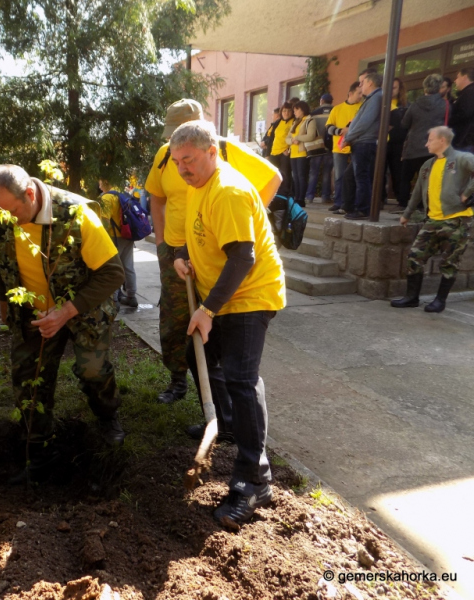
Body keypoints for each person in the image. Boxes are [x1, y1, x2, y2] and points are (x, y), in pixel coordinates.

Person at [168, 120, 286, 528]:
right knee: (198, 354)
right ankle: (228, 424)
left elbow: (242, 258)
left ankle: (255, 479)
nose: (183, 168)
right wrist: (183, 254)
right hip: (221, 296)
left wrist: (207, 309)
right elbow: (203, 234)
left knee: (241, 378)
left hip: (249, 296)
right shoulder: (199, 184)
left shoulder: (230, 191)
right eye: (178, 161)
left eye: (190, 159)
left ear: (212, 153)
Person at [0, 164, 126, 481]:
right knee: (27, 376)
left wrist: (66, 311)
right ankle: (40, 450)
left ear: (30, 194)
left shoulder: (76, 214)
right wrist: (7, 306)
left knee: (93, 370)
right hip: (34, 313)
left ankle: (107, 415)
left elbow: (114, 274)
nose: (5, 220)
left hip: (85, 305)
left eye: (12, 211)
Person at [145, 99, 281, 407]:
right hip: (177, 251)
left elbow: (273, 178)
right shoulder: (168, 155)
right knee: (175, 320)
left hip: (217, 253)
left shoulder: (222, 151)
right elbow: (157, 197)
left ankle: (225, 413)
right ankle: (179, 381)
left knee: (212, 325)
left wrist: (242, 220)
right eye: (171, 135)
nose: (180, 161)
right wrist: (162, 243)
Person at [391, 126, 474, 313]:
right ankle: (412, 297)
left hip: (457, 220)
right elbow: (418, 192)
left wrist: (468, 193)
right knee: (415, 256)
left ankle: (440, 301)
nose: (426, 143)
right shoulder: (427, 165)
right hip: (432, 220)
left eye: (430, 140)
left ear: (442, 141)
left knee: (450, 261)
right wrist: (407, 214)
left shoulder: (461, 158)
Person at [397, 74, 447, 212]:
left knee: (406, 177)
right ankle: (423, 205)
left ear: (425, 87)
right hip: (433, 148)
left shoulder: (415, 104)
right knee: (428, 178)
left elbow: (404, 123)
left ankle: (403, 204)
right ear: (439, 88)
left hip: (413, 146)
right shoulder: (445, 105)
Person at [340, 69, 383, 220]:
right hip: (361, 142)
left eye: (363, 82)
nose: (360, 85)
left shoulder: (376, 98)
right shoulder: (372, 98)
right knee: (350, 176)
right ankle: (350, 206)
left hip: (365, 143)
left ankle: (363, 209)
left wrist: (348, 137)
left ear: (370, 83)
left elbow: (364, 122)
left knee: (361, 177)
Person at [98, 178, 137, 308]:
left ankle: (114, 300)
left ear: (105, 182)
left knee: (113, 267)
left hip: (113, 237)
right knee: (128, 266)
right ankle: (131, 296)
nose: (99, 184)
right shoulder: (122, 194)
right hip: (128, 235)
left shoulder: (106, 198)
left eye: (100, 181)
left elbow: (104, 221)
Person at [326, 82, 363, 212]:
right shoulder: (337, 109)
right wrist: (340, 131)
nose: (361, 96)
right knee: (339, 176)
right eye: (359, 93)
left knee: (356, 175)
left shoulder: (362, 107)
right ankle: (338, 202)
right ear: (350, 93)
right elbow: (328, 127)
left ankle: (352, 203)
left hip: (357, 146)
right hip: (339, 147)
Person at [286, 101, 315, 207]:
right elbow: (287, 138)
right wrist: (292, 141)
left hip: (302, 152)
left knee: (302, 176)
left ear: (302, 109)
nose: (294, 112)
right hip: (293, 153)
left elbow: (311, 136)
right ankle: (296, 197)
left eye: (296, 110)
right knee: (296, 177)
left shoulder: (309, 120)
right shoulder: (295, 122)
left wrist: (297, 138)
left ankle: (301, 198)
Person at [306, 94, 334, 204]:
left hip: (316, 146)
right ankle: (325, 196)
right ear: (331, 101)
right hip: (330, 146)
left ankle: (309, 196)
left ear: (321, 101)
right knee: (327, 172)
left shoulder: (313, 114)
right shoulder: (335, 111)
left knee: (314, 172)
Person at [386, 78, 409, 206]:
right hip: (383, 142)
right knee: (380, 171)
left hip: (398, 143)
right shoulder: (381, 102)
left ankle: (400, 199)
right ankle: (379, 199)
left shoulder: (405, 106)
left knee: (397, 171)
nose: (391, 90)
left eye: (394, 88)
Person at [268, 102, 294, 196]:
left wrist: (289, 150)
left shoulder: (294, 121)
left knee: (285, 175)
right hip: (274, 152)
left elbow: (295, 136)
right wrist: (268, 154)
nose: (286, 113)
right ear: (281, 112)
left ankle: (285, 195)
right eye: (284, 111)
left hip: (285, 152)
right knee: (274, 175)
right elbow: (271, 139)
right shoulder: (277, 123)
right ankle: (275, 194)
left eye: (289, 111)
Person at [450, 67, 474, 152]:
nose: (455, 81)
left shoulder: (469, 93)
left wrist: (450, 120)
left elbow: (465, 113)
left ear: (464, 77)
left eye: (457, 77)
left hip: (464, 140)